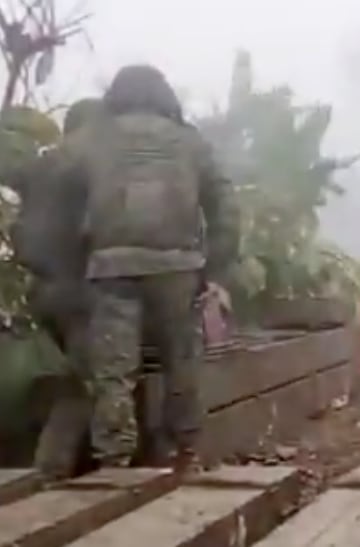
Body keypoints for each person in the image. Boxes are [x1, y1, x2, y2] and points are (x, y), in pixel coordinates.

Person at [55, 65, 240, 471]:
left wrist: (72, 261)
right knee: (182, 362)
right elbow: (225, 204)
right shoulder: (190, 142)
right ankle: (186, 453)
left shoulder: (90, 140)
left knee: (115, 370)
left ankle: (115, 461)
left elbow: (57, 194)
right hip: (179, 268)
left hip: (111, 268)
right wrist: (218, 272)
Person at [9, 98, 102, 478]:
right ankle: (51, 471)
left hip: (36, 288)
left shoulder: (38, 165)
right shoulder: (91, 167)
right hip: (79, 292)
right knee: (80, 385)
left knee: (47, 378)